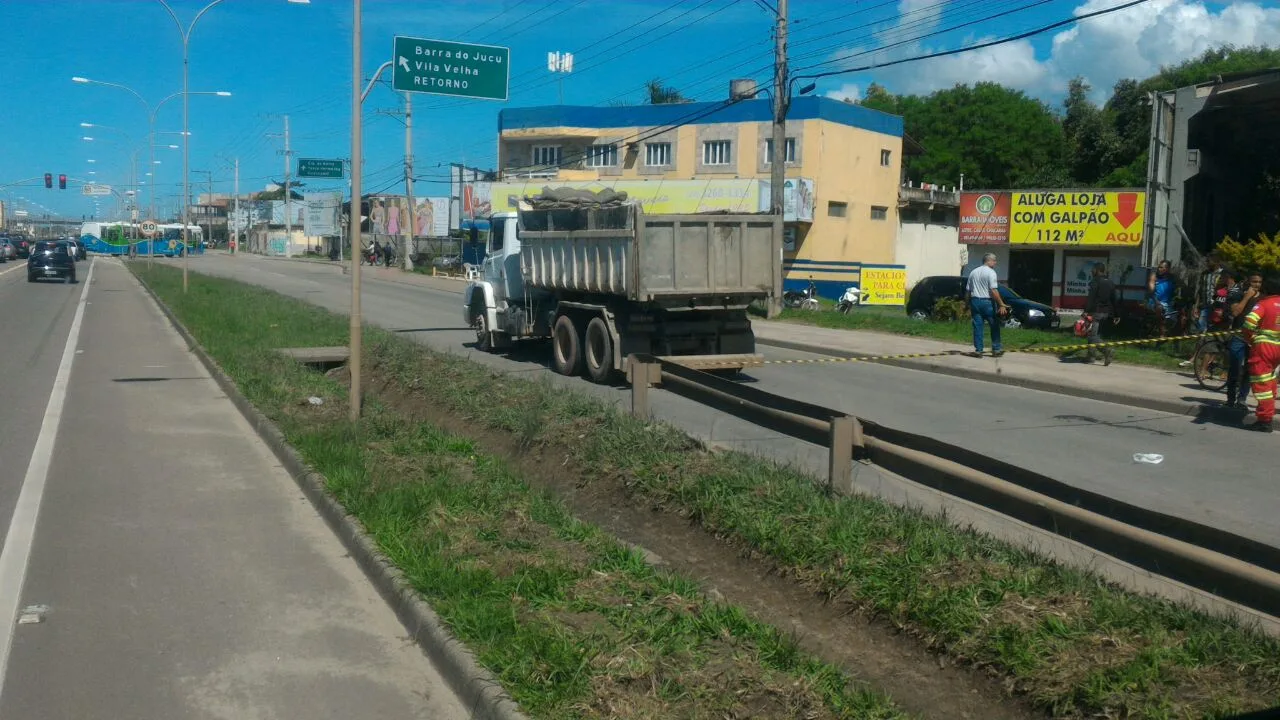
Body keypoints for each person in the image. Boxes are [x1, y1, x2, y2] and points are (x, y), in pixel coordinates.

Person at [1242, 274, 1280, 433]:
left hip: (1264, 348)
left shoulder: (1263, 303)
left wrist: (1250, 338)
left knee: (1261, 384)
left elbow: (1249, 322)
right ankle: (1267, 413)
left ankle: (1265, 420)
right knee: (1270, 380)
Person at [1225, 272, 1263, 408]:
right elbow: (1235, 312)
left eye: (1259, 282)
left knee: (1248, 369)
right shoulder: (1238, 295)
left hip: (1254, 339)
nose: (1257, 285)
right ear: (1248, 282)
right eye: (1254, 282)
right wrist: (1247, 297)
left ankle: (1242, 399)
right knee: (1234, 368)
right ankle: (1230, 399)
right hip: (1238, 336)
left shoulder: (1263, 300)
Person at [966, 253, 1009, 357]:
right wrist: (1001, 304)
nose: (995, 262)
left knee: (977, 326)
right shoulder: (991, 273)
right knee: (994, 325)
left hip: (975, 301)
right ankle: (996, 349)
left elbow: (968, 291)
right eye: (994, 260)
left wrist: (967, 304)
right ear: (988, 261)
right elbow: (993, 290)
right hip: (987, 302)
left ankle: (978, 350)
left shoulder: (973, 272)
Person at [1084, 263, 1117, 365]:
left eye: (1093, 270)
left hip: (1096, 312)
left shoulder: (1095, 281)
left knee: (1092, 336)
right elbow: (1114, 300)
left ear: (1097, 270)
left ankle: (1107, 350)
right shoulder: (1110, 282)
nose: (1091, 271)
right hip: (1106, 313)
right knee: (1094, 334)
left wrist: (1086, 311)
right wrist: (1116, 314)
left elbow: (1091, 298)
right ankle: (1090, 357)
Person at [1146, 260, 1178, 337]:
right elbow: (1151, 291)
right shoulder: (1154, 276)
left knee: (1179, 315)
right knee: (1160, 308)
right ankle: (1161, 333)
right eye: (1159, 267)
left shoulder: (1172, 278)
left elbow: (1178, 289)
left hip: (1168, 303)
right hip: (1154, 301)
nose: (1159, 269)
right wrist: (1157, 302)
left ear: (1167, 269)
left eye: (1161, 267)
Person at [1194, 253, 1224, 333]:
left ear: (1216, 262)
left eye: (1208, 261)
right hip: (1205, 305)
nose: (1207, 263)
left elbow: (1223, 290)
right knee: (1201, 326)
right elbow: (1200, 290)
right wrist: (1196, 306)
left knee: (1215, 328)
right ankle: (1203, 343)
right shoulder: (1204, 274)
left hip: (1218, 306)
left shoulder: (1223, 274)